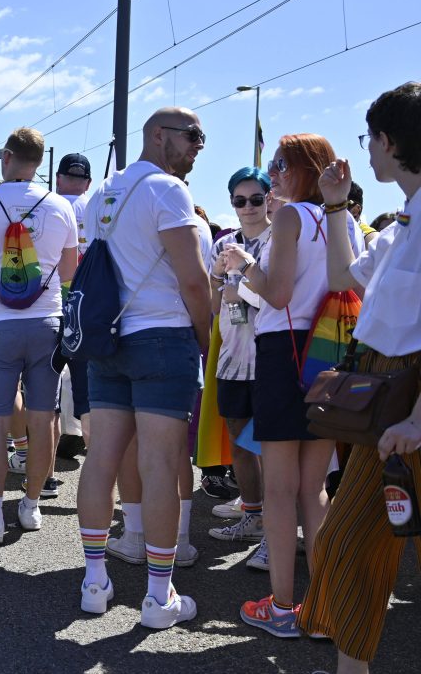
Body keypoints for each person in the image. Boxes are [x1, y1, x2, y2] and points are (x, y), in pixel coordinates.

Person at [273, 81, 421, 674]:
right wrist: (335, 207)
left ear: (388, 142)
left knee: (357, 541)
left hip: (409, 403)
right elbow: (344, 276)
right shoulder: (405, 222)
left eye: (371, 139)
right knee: (350, 544)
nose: (368, 150)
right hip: (386, 403)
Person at [221, 133, 362, 638]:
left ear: (307, 169)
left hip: (285, 354)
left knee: (279, 489)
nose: (273, 173)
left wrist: (244, 267)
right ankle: (322, 609)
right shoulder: (342, 221)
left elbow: (276, 292)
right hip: (331, 353)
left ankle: (282, 608)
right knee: (314, 488)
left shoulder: (290, 217)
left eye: (281, 165)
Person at [75, 107, 211, 629]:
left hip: (109, 340)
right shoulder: (167, 191)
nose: (198, 146)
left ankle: (94, 581)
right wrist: (205, 342)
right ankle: (158, 597)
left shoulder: (101, 195)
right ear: (160, 136)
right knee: (159, 464)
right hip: (163, 338)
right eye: (193, 136)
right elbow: (194, 282)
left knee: (101, 460)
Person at [0, 127, 77, 542]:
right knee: (43, 423)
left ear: (5, 157)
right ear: (40, 162)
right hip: (47, 323)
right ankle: (31, 507)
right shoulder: (60, 206)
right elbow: (69, 272)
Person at [205, 168, 272, 561]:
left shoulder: (278, 239)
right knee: (239, 443)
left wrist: (241, 287)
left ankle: (275, 535)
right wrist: (217, 277)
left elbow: (280, 298)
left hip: (269, 358)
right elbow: (215, 308)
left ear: (268, 199)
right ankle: (253, 515)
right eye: (239, 200)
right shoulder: (224, 245)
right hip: (232, 357)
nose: (247, 207)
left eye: (255, 199)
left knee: (270, 449)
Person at [55, 153, 94, 460]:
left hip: (51, 302)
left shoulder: (48, 207)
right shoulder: (96, 208)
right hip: (88, 304)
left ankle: (37, 462)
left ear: (58, 178)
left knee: (46, 386)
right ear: (88, 183)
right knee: (85, 387)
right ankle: (97, 464)